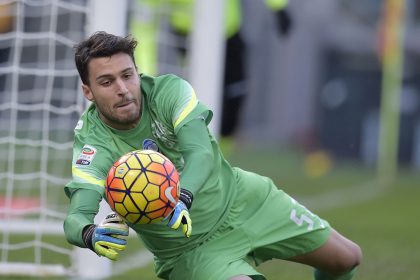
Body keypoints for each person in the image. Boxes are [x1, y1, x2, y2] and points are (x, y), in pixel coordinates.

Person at [64, 31, 362, 280]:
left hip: (244, 200)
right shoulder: (93, 145)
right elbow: (77, 216)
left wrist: (182, 197)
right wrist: (90, 234)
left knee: (347, 259)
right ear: (87, 91)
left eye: (127, 76)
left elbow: (200, 152)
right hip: (190, 250)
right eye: (106, 82)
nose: (122, 89)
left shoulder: (169, 91)